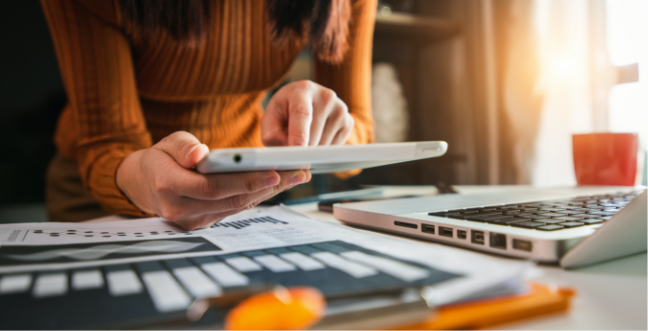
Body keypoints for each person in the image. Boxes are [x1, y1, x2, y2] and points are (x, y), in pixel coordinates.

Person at [41, 0, 376, 229]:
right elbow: (108, 141)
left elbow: (359, 127)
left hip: (237, 200)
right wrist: (143, 176)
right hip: (108, 193)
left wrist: (329, 126)